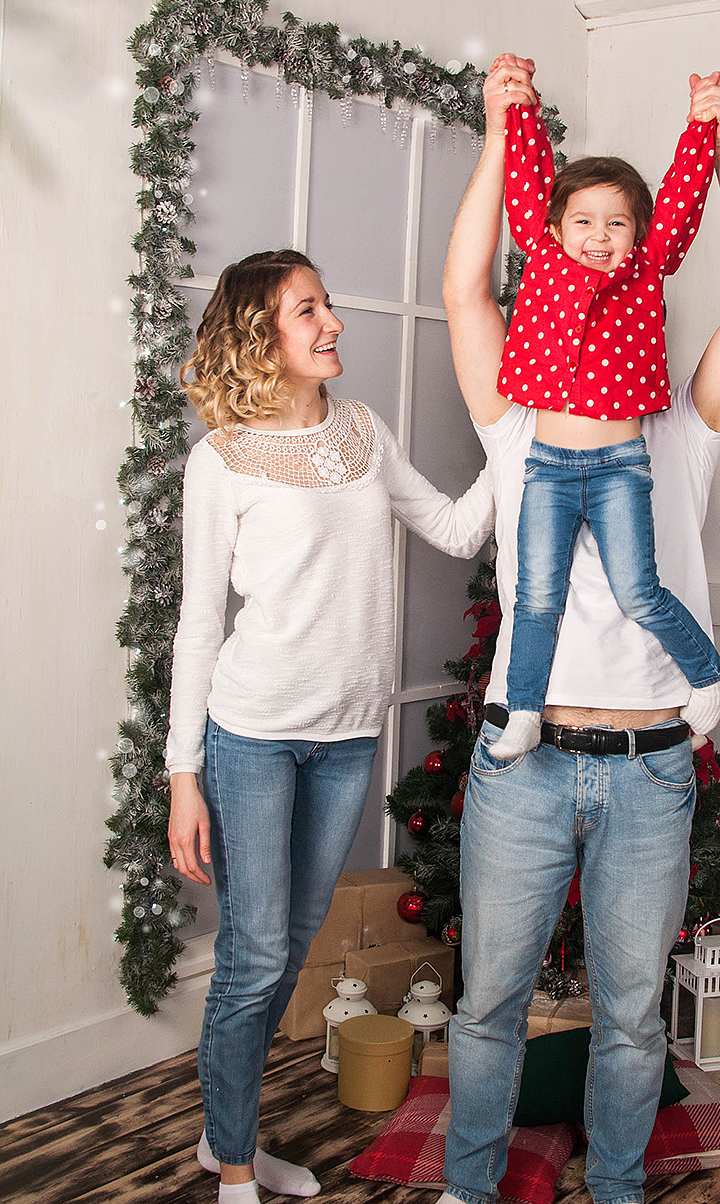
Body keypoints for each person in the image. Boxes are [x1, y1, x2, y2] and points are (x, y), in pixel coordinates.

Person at [438, 57, 720, 1204]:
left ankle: (618, 1189)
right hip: (521, 765)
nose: (597, 250)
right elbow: (461, 294)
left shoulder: (678, 430)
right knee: (487, 1002)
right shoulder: (516, 419)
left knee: (634, 1018)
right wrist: (500, 129)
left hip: (648, 771)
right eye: (574, 230)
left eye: (617, 236)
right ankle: (467, 1188)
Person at [164, 249, 494, 1204]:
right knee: (255, 953)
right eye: (308, 310)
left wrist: (523, 448)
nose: (332, 323)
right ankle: (232, 1162)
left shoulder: (362, 432)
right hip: (253, 736)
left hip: (348, 739)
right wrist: (185, 774)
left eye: (327, 305)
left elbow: (456, 527)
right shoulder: (219, 459)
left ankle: (225, 1127)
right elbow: (198, 625)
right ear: (263, 333)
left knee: (287, 945)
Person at [487, 98, 720, 761]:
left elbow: (680, 200)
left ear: (639, 233)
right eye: (585, 221)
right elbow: (528, 181)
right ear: (555, 227)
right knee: (536, 594)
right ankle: (526, 710)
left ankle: (710, 674)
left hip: (622, 464)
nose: (599, 235)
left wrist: (703, 128)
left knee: (638, 590)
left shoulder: (648, 267)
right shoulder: (541, 258)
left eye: (616, 223)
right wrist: (518, 111)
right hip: (551, 467)